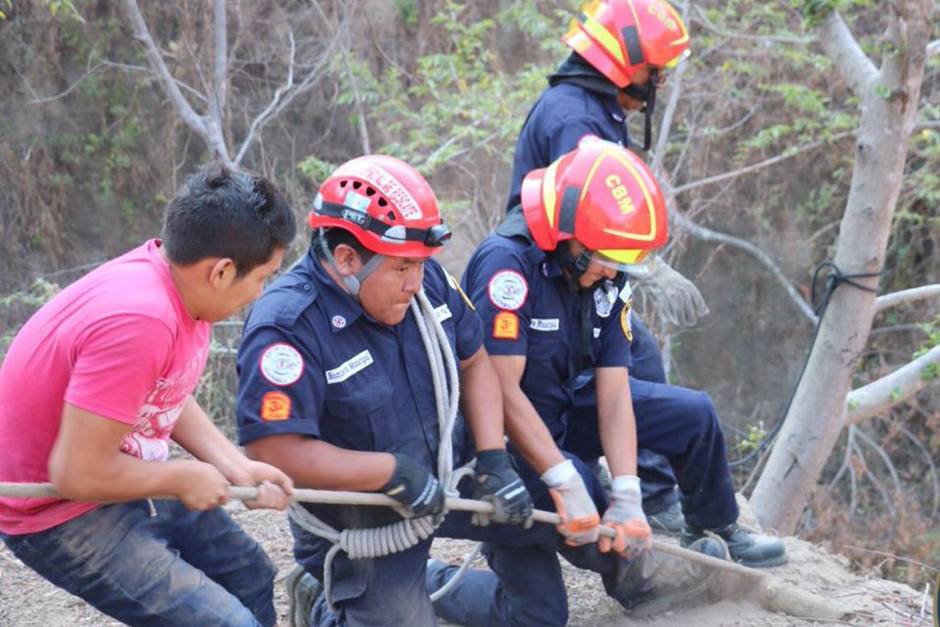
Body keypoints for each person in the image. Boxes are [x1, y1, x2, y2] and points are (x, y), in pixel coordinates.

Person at [461, 135, 787, 572]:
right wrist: (562, 478)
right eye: (607, 258)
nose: (613, 271)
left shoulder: (606, 274)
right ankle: (645, 581)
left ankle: (712, 526)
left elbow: (614, 392)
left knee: (694, 414)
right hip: (513, 430)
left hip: (566, 404)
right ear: (572, 237)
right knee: (585, 499)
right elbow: (499, 391)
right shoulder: (509, 264)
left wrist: (629, 493)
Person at [0, 163, 298, 627]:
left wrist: (232, 464)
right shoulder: (141, 320)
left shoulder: (180, 285)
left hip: (116, 468)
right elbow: (75, 473)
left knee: (250, 575)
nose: (260, 293)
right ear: (221, 271)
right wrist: (180, 476)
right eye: (263, 277)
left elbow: (160, 390)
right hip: (60, 506)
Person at [506, 0, 709, 534]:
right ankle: (652, 496)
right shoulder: (575, 119)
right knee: (634, 358)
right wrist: (653, 272)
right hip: (552, 273)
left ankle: (646, 489)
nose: (657, 80)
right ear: (624, 63)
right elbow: (590, 214)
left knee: (636, 357)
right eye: (653, 70)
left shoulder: (595, 106)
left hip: (577, 267)